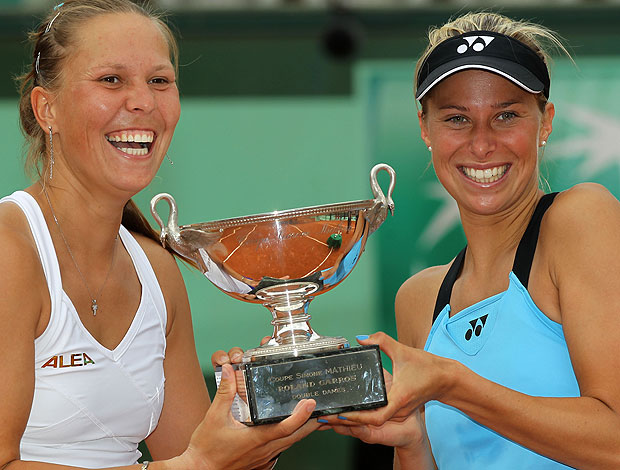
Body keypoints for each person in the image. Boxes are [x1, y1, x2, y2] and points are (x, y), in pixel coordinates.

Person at [0, 0, 319, 468]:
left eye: (160, 81)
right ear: (46, 108)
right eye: (111, 80)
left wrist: (248, 438)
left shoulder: (156, 268)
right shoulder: (10, 250)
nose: (143, 102)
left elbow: (192, 456)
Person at [323, 11, 620, 469]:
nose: (481, 145)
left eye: (506, 115)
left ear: (545, 123)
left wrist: (452, 383)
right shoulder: (419, 299)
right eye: (457, 119)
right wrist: (409, 443)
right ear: (425, 128)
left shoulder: (581, 218)